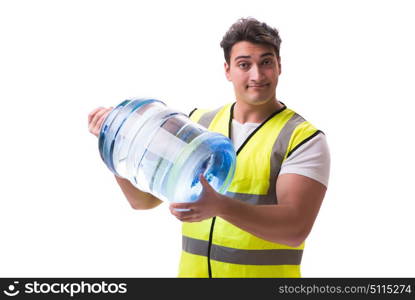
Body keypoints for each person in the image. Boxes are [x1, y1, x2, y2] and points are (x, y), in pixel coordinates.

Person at [88, 17, 330, 278]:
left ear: (279, 66)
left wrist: (221, 206)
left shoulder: (301, 138)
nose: (256, 75)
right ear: (228, 70)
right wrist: (116, 139)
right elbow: (142, 201)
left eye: (266, 62)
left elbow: (294, 228)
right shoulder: (197, 124)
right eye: (244, 64)